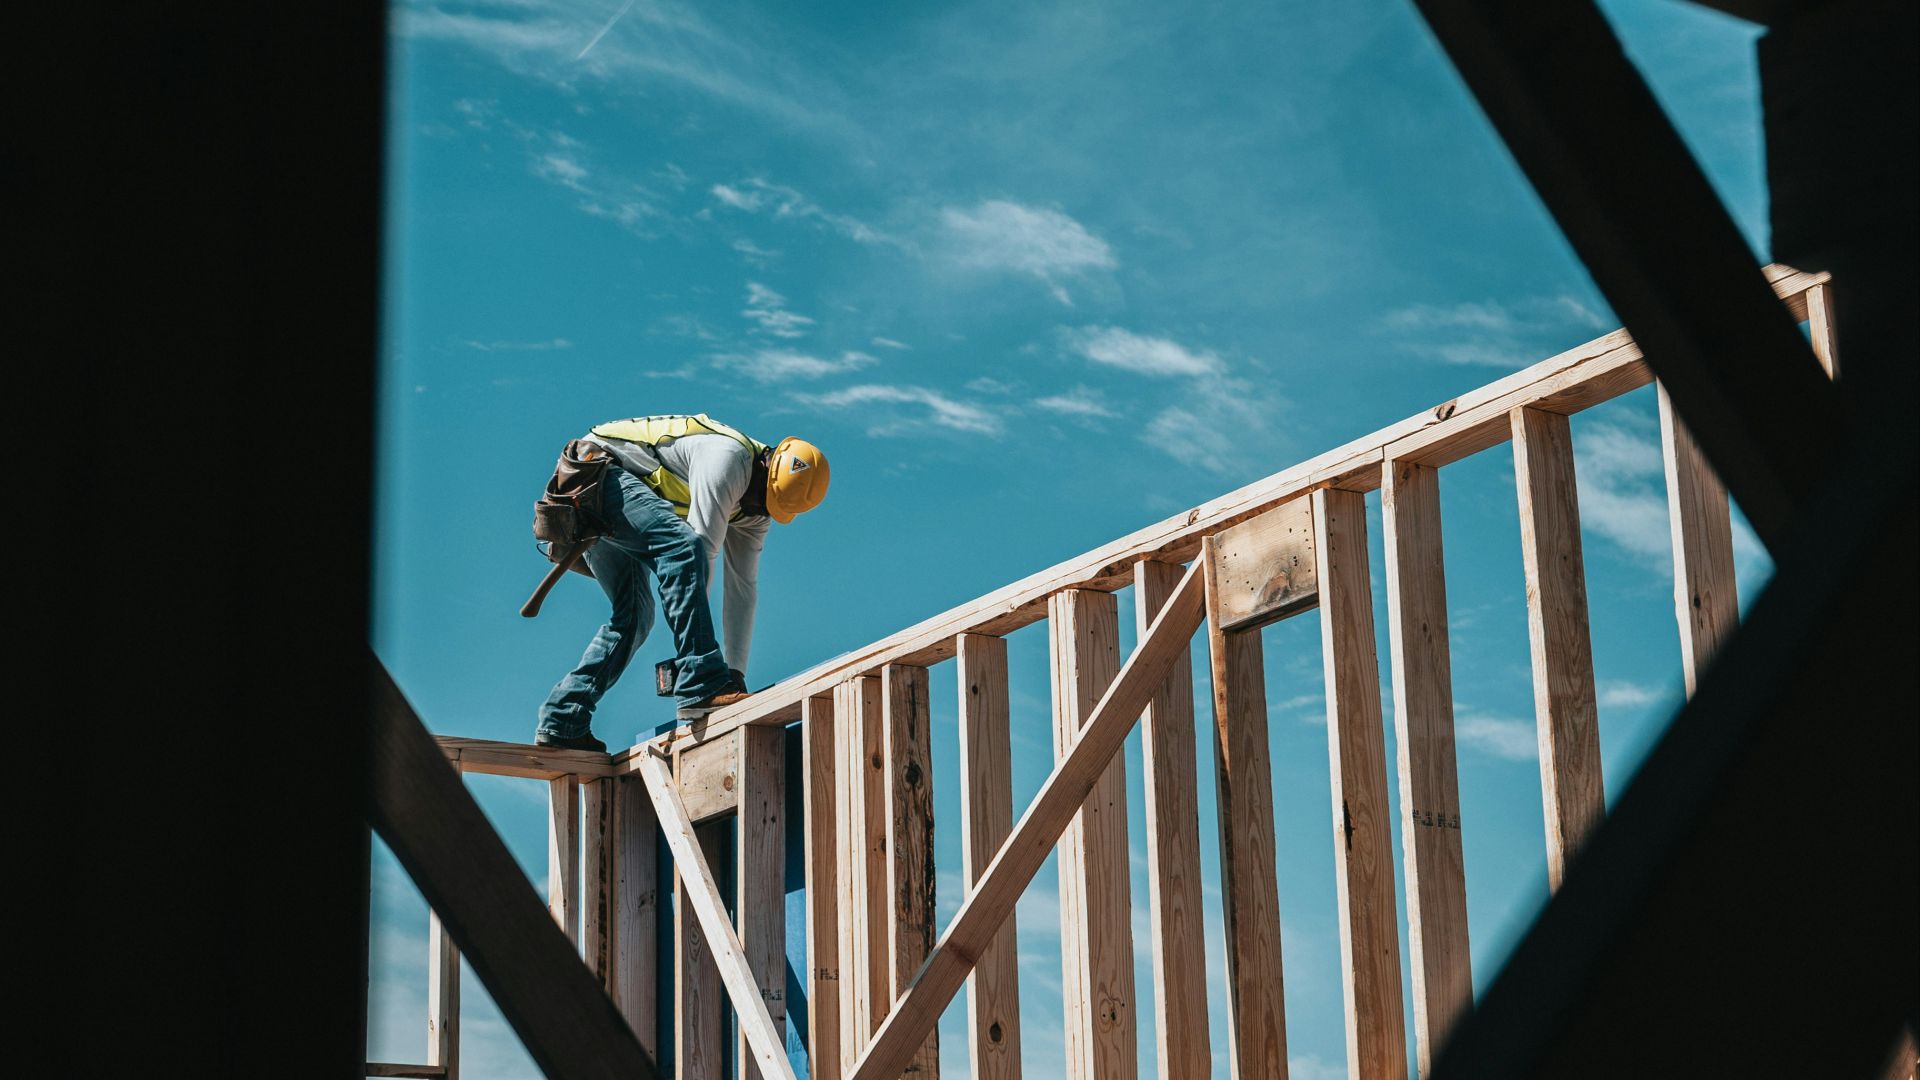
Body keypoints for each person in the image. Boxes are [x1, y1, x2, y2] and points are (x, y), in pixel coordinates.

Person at [534, 413, 828, 751]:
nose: (755, 509)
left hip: (613, 496)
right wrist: (702, 673)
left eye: (767, 507)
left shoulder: (756, 511)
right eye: (760, 498)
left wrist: (735, 675)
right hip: (594, 475)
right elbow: (698, 551)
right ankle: (700, 679)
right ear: (765, 464)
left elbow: (742, 589)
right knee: (683, 547)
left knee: (635, 618)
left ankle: (563, 718)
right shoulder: (728, 459)